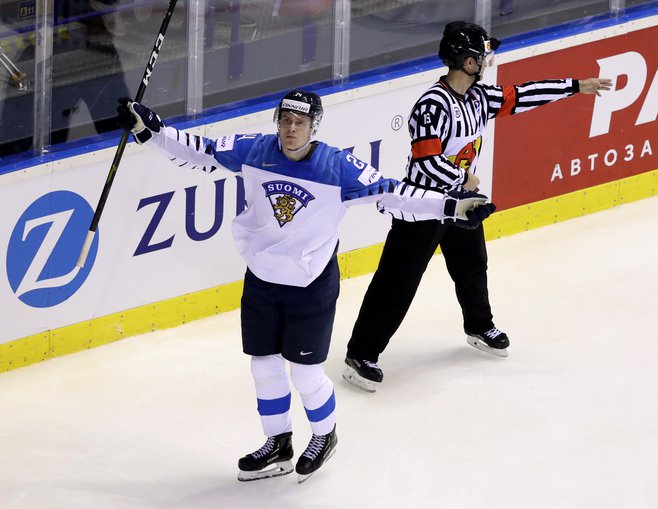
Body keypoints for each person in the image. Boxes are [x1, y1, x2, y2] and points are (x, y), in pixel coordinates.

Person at [116, 89, 495, 483]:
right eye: (285, 121)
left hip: (310, 283)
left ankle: (324, 434)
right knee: (264, 365)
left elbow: (394, 193)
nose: (291, 129)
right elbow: (202, 150)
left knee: (305, 372)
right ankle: (277, 442)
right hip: (262, 279)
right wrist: (151, 129)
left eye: (299, 123)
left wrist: (452, 208)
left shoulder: (337, 168)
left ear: (314, 126)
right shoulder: (254, 150)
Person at [343, 21, 613, 393]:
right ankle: (361, 354)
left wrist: (577, 86)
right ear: (465, 60)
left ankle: (478, 326)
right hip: (422, 207)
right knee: (397, 283)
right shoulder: (431, 105)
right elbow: (425, 161)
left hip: (460, 204)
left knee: (472, 265)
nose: (485, 61)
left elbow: (523, 95)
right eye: (480, 56)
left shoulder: (479, 98)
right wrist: (462, 177)